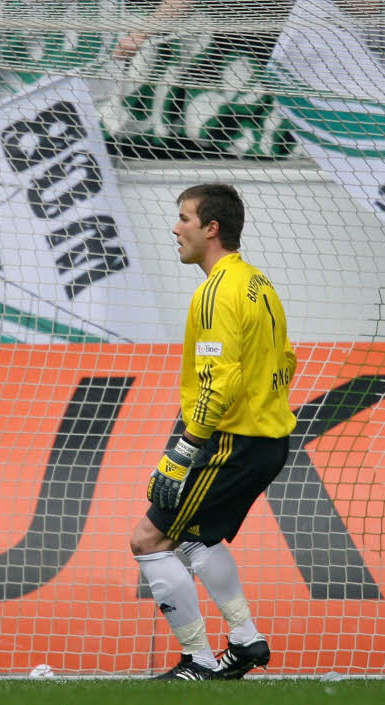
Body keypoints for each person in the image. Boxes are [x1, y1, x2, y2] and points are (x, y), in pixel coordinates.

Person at [130, 183, 297, 681]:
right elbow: (287, 358)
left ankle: (198, 659)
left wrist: (183, 450)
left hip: (232, 441)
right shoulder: (257, 283)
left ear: (211, 228)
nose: (174, 227)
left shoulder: (215, 292)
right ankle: (246, 643)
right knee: (196, 539)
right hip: (267, 439)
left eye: (183, 217)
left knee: (148, 540)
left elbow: (216, 380)